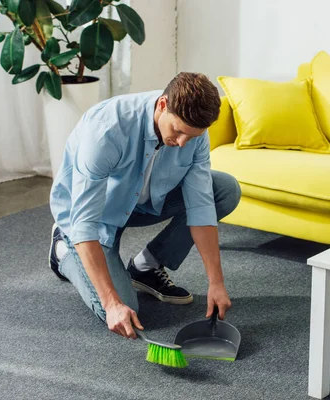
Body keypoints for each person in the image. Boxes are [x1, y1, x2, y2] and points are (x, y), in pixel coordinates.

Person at [48, 72, 241, 339]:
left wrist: (216, 282)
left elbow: (201, 207)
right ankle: (63, 251)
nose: (183, 142)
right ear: (163, 105)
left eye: (192, 136)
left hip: (144, 201)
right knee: (122, 310)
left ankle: (147, 266)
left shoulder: (194, 134)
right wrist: (112, 303)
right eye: (179, 131)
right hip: (96, 216)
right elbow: (85, 222)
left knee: (224, 189)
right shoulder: (107, 129)